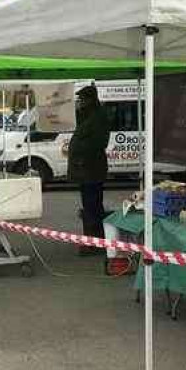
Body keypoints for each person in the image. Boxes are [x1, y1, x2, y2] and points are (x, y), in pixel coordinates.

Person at [67, 84, 110, 256]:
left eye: (82, 99)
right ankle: (92, 240)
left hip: (92, 169)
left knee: (92, 207)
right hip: (86, 170)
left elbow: (98, 143)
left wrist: (79, 150)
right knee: (89, 206)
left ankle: (95, 243)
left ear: (90, 100)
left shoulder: (98, 117)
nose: (80, 102)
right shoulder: (89, 115)